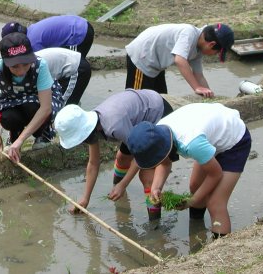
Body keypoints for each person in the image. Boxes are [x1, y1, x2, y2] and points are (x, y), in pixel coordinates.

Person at [127, 102, 251, 237]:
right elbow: (164, 163)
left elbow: (215, 174)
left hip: (234, 141)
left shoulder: (191, 144)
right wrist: (156, 188)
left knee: (215, 202)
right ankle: (197, 230)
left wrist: (191, 201)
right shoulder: (157, 133)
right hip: (210, 134)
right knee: (195, 187)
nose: (155, 163)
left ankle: (219, 252)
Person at [54, 89, 173, 219]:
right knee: (121, 159)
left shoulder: (115, 126)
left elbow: (140, 156)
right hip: (135, 122)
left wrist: (123, 184)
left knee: (147, 177)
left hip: (156, 114)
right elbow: (93, 163)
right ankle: (116, 191)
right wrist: (85, 199)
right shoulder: (92, 128)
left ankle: (154, 225)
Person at [0, 32, 64, 161]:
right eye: (14, 67)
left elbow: (46, 107)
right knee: (8, 118)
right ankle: (14, 134)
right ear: (5, 61)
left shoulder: (40, 65)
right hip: (11, 100)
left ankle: (42, 133)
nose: (21, 71)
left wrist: (21, 141)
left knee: (32, 106)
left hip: (38, 101)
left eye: (26, 64)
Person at [125, 23, 234, 97]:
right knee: (138, 101)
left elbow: (199, 75)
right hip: (141, 57)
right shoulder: (189, 33)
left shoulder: (198, 49)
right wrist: (196, 87)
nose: (214, 55)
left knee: (161, 100)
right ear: (211, 44)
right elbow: (180, 60)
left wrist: (209, 95)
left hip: (156, 64)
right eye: (216, 52)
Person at [1, 15, 94, 57]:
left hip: (78, 34)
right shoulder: (32, 30)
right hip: (80, 23)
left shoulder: (33, 43)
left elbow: (43, 63)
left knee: (73, 64)